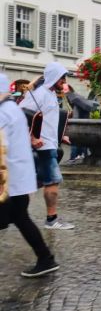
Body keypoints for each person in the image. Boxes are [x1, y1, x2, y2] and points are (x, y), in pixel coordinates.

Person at [0, 73, 59, 277]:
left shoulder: (4, 112)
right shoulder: (11, 109)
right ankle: (45, 258)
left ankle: (46, 258)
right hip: (17, 177)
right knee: (20, 217)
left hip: (9, 180)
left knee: (18, 217)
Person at [18, 62, 74, 230]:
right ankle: (51, 220)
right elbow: (22, 114)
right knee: (52, 182)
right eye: (61, 77)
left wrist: (60, 135)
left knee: (32, 183)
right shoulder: (39, 94)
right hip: (43, 146)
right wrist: (32, 138)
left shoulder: (50, 94)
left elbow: (47, 119)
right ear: (54, 77)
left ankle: (14, 214)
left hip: (49, 143)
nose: (64, 80)